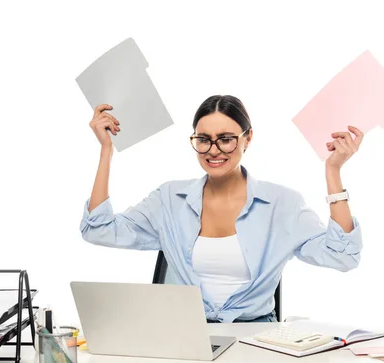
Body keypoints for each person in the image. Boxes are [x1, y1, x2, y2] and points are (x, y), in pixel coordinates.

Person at [80, 95, 364, 323]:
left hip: (254, 340)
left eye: (226, 139)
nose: (213, 150)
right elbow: (98, 230)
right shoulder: (169, 199)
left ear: (247, 138)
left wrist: (333, 170)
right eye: (203, 140)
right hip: (182, 336)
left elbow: (343, 256)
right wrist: (106, 151)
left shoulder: (281, 204)